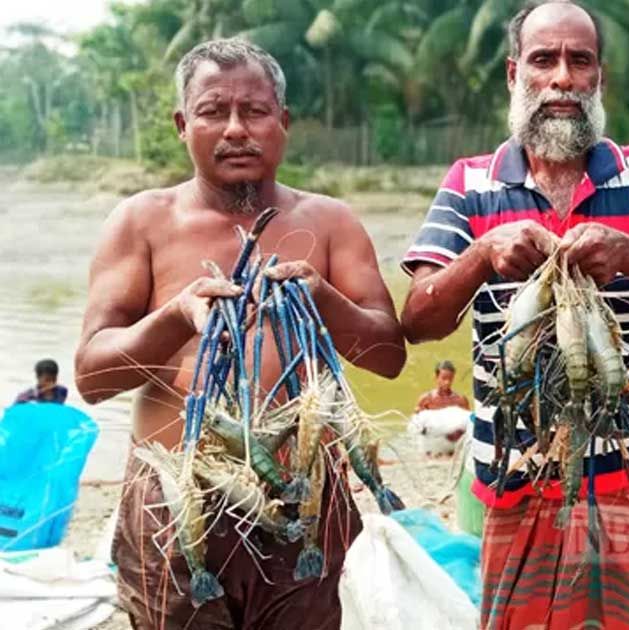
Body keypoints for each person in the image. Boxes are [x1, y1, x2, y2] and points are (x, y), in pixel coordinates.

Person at [399, 2, 629, 627]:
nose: (561, 79)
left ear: (598, 77)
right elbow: (417, 319)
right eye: (543, 60)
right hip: (514, 483)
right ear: (513, 74)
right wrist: (480, 256)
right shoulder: (470, 182)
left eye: (580, 61)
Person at [73, 38, 405, 630]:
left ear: (284, 122)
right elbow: (93, 376)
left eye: (253, 111)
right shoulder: (142, 220)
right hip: (176, 502)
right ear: (182, 124)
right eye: (212, 111)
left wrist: (321, 299)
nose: (235, 129)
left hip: (308, 499)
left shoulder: (330, 222)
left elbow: (387, 357)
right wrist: (175, 317)